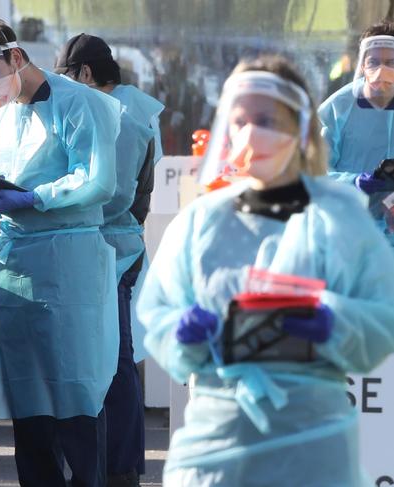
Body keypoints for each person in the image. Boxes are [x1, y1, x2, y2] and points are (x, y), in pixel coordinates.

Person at [137, 54, 394, 486]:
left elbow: (382, 316)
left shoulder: (339, 218)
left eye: (268, 120)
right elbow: (158, 314)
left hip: (312, 444)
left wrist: (332, 320)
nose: (252, 132)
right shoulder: (201, 222)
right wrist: (181, 332)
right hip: (218, 447)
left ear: (301, 128)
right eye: (241, 120)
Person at [0, 20, 121, 487]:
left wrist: (34, 198)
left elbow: (96, 179)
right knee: (28, 397)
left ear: (16, 57)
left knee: (76, 390)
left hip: (70, 259)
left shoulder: (79, 104)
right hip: (17, 263)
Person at [54, 33, 164, 487]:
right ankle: (117, 467)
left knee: (109, 364)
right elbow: (139, 195)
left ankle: (116, 470)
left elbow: (101, 192)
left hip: (99, 248)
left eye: (68, 79)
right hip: (122, 245)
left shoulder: (107, 113)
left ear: (85, 74)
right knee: (115, 360)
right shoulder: (139, 109)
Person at [319, 20, 394, 245]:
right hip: (345, 229)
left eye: (391, 62)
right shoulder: (337, 108)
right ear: (362, 64)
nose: (382, 71)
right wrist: (354, 182)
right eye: (374, 62)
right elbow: (311, 170)